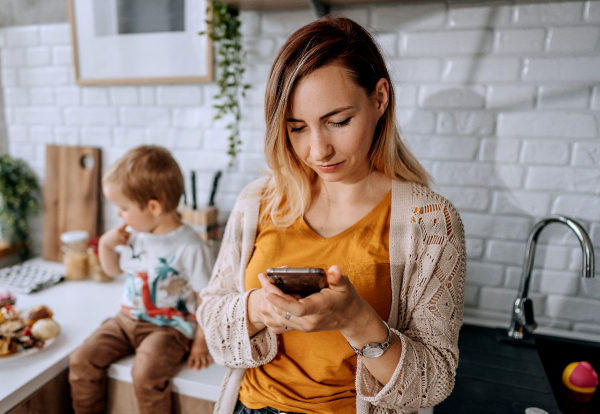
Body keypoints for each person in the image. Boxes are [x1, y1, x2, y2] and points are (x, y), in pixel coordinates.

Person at [197, 16, 466, 414]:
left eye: (338, 122)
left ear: (379, 98)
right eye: (297, 128)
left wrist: (356, 319)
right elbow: (212, 317)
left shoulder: (430, 222)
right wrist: (259, 308)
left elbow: (433, 381)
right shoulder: (257, 202)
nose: (318, 150)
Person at [69, 145, 215, 414]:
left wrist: (200, 343)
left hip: (168, 327)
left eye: (123, 208)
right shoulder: (136, 234)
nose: (118, 215)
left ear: (153, 206)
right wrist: (105, 246)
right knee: (81, 360)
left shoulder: (190, 247)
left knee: (146, 374)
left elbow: (206, 297)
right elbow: (113, 271)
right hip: (126, 320)